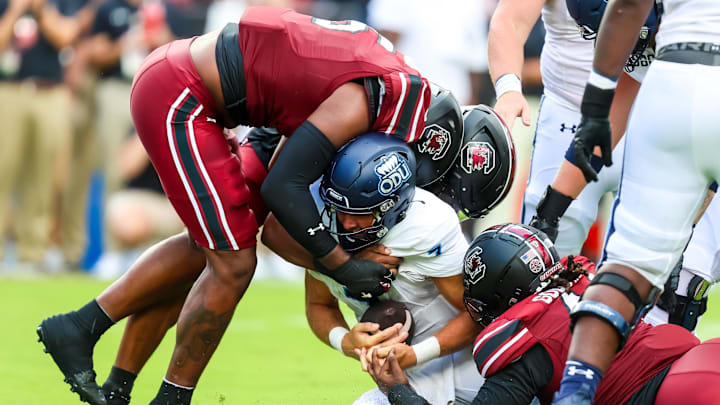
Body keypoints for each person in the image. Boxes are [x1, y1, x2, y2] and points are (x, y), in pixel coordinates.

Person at [37, 7, 460, 405]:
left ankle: (115, 385)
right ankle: (107, 349)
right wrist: (343, 265)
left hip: (217, 97)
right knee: (234, 264)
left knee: (205, 253)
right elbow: (283, 188)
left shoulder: (383, 84)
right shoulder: (374, 98)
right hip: (182, 96)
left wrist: (336, 258)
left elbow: (279, 208)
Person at [263, 108, 516, 404]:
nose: (345, 223)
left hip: (469, 368)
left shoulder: (427, 224)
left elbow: (477, 315)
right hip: (407, 376)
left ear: (391, 208)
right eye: (339, 209)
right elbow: (318, 304)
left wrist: (414, 355)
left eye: (359, 214)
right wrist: (346, 339)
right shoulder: (323, 224)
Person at [552, 0, 720, 403]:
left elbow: (627, 4)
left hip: (673, 76)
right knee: (679, 284)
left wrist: (595, 105)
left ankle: (573, 395)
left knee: (625, 268)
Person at [364, 223, 720, 405]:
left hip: (679, 393)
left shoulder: (528, 344)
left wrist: (397, 388)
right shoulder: (579, 278)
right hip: (702, 357)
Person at [488, 0, 627, 257]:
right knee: (542, 256)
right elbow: (510, 20)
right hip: (569, 113)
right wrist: (508, 88)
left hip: (645, 118)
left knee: (648, 266)